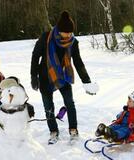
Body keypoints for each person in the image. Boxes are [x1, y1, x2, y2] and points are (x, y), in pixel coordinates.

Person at [30, 11, 99, 144]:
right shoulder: (46, 38)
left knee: (70, 104)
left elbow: (78, 62)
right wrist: (33, 75)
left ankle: (73, 130)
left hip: (63, 76)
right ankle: (53, 131)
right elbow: (35, 56)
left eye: (70, 32)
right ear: (59, 30)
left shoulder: (73, 42)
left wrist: (87, 81)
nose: (68, 35)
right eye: (66, 32)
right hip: (45, 76)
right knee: (48, 107)